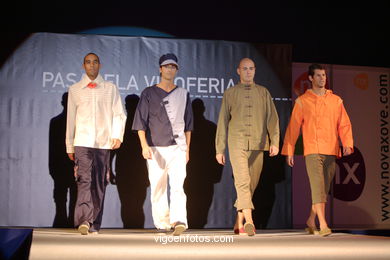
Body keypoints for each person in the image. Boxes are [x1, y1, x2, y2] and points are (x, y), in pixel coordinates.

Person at [282, 63, 353, 237]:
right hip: (312, 150)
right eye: (319, 75)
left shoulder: (336, 100)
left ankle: (310, 220)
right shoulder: (303, 101)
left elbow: (344, 124)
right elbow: (293, 128)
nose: (322, 78)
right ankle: (323, 224)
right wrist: (290, 150)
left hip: (331, 148)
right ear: (311, 78)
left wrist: (347, 143)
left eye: (324, 75)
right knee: (317, 186)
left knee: (323, 189)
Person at [215, 58, 280, 236]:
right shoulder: (230, 93)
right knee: (242, 182)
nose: (248, 71)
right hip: (237, 143)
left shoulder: (263, 92)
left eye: (251, 68)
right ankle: (250, 222)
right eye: (245, 68)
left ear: (255, 70)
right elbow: (222, 123)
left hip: (259, 143)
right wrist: (219, 149)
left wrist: (274, 141)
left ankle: (238, 221)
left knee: (251, 184)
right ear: (238, 71)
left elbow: (273, 119)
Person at [132, 53, 193, 236]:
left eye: (173, 66)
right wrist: (143, 146)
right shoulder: (148, 93)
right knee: (158, 186)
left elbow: (188, 125)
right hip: (154, 146)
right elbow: (140, 122)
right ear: (160, 69)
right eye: (167, 66)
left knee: (177, 185)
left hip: (177, 147)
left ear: (177, 70)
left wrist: (187, 149)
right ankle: (163, 223)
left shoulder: (182, 94)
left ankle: (179, 220)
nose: (170, 69)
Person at [66, 53, 126, 235]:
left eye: (95, 62)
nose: (91, 65)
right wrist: (70, 145)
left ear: (100, 65)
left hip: (103, 142)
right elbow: (71, 119)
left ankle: (94, 223)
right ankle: (84, 220)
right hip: (82, 142)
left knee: (99, 182)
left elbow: (119, 114)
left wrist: (117, 135)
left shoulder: (110, 88)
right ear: (83, 65)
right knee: (84, 179)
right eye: (88, 62)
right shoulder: (75, 89)